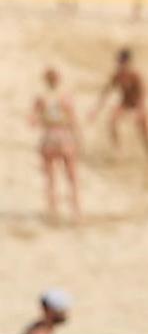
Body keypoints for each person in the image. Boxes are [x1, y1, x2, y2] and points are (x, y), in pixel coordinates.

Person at [30, 67, 82, 222]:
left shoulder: (42, 98)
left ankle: (53, 210)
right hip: (64, 136)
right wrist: (78, 138)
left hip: (49, 137)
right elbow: (73, 119)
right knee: (71, 176)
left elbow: (32, 120)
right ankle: (76, 210)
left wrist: (43, 120)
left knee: (51, 176)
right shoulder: (65, 97)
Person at [92, 47, 148, 160]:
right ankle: (118, 150)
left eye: (121, 61)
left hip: (137, 104)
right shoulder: (118, 75)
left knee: (144, 129)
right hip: (125, 103)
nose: (120, 64)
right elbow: (106, 92)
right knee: (112, 121)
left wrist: (140, 111)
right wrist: (96, 110)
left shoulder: (135, 75)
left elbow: (142, 95)